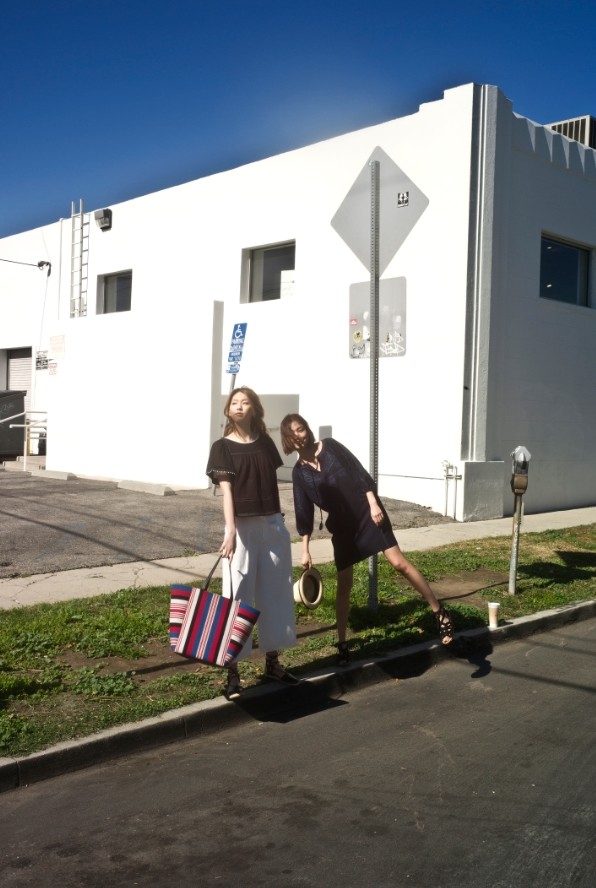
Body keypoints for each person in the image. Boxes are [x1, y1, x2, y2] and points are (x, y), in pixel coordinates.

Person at [279, 413, 455, 665]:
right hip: (342, 526)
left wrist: (373, 503)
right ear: (287, 440)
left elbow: (357, 471)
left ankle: (440, 612)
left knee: (398, 563)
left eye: (301, 429)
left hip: (366, 511)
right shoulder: (299, 473)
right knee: (344, 583)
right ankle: (342, 644)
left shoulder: (330, 446)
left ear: (307, 429)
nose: (299, 435)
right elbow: (303, 511)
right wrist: (305, 550)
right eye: (292, 433)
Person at [207, 387, 298, 699]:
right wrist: (231, 531)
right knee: (237, 597)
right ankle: (232, 672)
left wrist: (279, 521)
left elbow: (271, 484)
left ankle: (273, 662)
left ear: (254, 408)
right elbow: (227, 492)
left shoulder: (265, 443)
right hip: (241, 530)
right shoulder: (221, 447)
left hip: (271, 524)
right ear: (228, 410)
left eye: (245, 402)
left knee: (276, 594)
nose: (239, 406)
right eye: (234, 403)